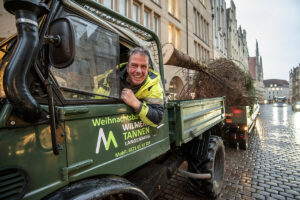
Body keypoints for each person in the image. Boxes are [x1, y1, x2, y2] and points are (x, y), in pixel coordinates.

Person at [120, 47, 164, 127]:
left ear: (148, 69)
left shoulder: (153, 85)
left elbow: (157, 118)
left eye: (143, 66)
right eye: (134, 65)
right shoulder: (110, 77)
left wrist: (136, 104)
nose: (139, 71)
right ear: (127, 67)